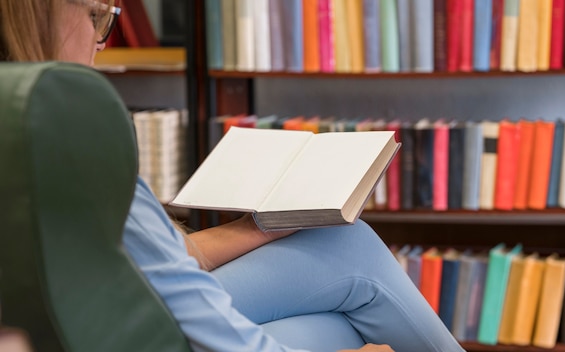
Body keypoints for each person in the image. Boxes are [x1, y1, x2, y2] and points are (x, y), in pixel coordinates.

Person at [0, 1, 466, 351]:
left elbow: (160, 258)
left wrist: (256, 227)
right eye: (99, 16)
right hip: (138, 331)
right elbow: (186, 305)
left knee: (346, 311)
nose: (101, 42)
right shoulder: (70, 129)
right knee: (352, 258)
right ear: (45, 12)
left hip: (84, 328)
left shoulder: (17, 113)